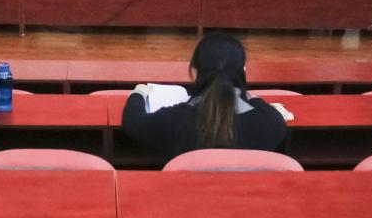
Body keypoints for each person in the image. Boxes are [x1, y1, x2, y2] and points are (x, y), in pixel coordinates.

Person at [122, 33, 289, 161]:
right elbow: (258, 106)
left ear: (195, 72)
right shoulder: (271, 121)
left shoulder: (174, 120)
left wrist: (139, 93)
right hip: (249, 197)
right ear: (243, 71)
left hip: (187, 196)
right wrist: (251, 97)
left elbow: (133, 121)